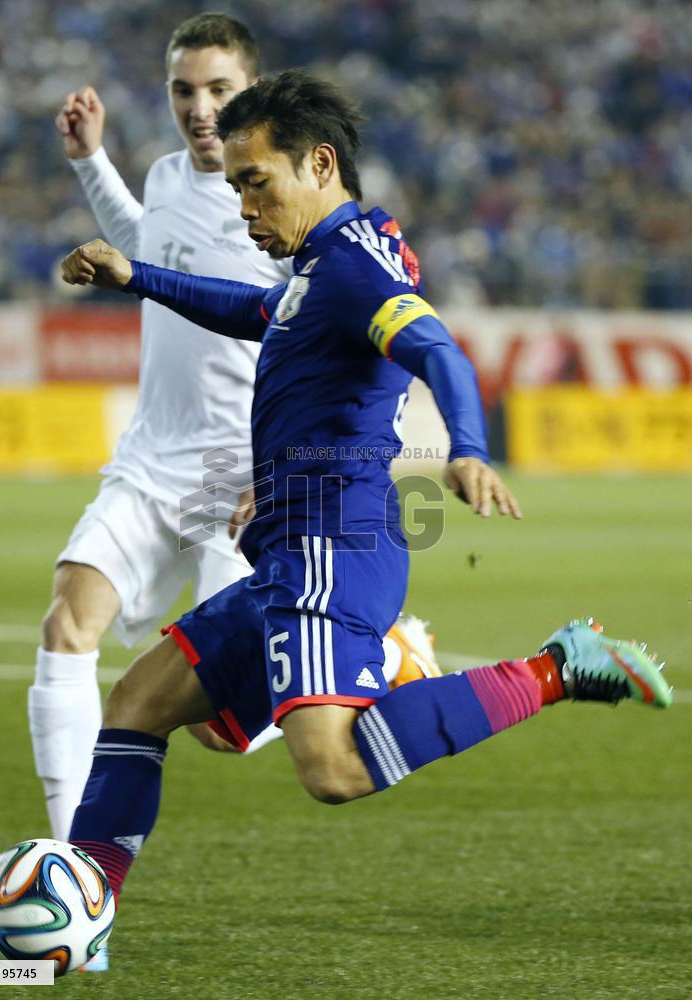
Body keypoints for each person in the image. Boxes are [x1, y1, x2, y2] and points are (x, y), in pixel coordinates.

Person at [57, 69, 671, 917]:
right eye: (235, 187)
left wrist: (469, 449)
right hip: (287, 548)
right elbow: (261, 311)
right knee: (143, 703)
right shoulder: (327, 261)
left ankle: (557, 668)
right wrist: (141, 277)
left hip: (331, 544)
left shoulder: (354, 270)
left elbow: (439, 350)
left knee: (334, 768)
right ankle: (80, 921)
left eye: (256, 183)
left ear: (317, 164)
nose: (243, 207)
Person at [28, 12, 440, 852]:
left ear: (250, 95)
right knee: (69, 627)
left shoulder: (288, 214)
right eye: (184, 89)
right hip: (151, 455)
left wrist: (307, 466)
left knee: (225, 726)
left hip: (237, 471)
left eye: (219, 89)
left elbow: (341, 337)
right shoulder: (172, 175)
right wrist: (90, 165)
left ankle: (390, 653)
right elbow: (155, 245)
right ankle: (71, 869)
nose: (200, 107)